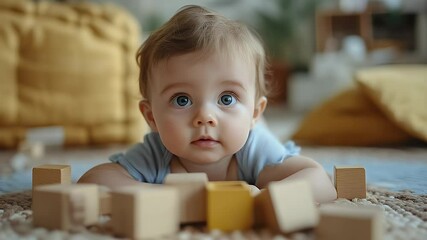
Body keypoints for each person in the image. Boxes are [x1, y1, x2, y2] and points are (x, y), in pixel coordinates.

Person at [78, 5, 337, 203]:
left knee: (259, 134)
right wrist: (167, 198)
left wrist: (261, 200)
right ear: (152, 117)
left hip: (254, 131)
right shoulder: (157, 154)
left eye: (226, 98)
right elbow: (93, 182)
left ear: (255, 112)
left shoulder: (254, 150)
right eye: (182, 100)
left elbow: (321, 182)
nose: (204, 117)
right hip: (237, 124)